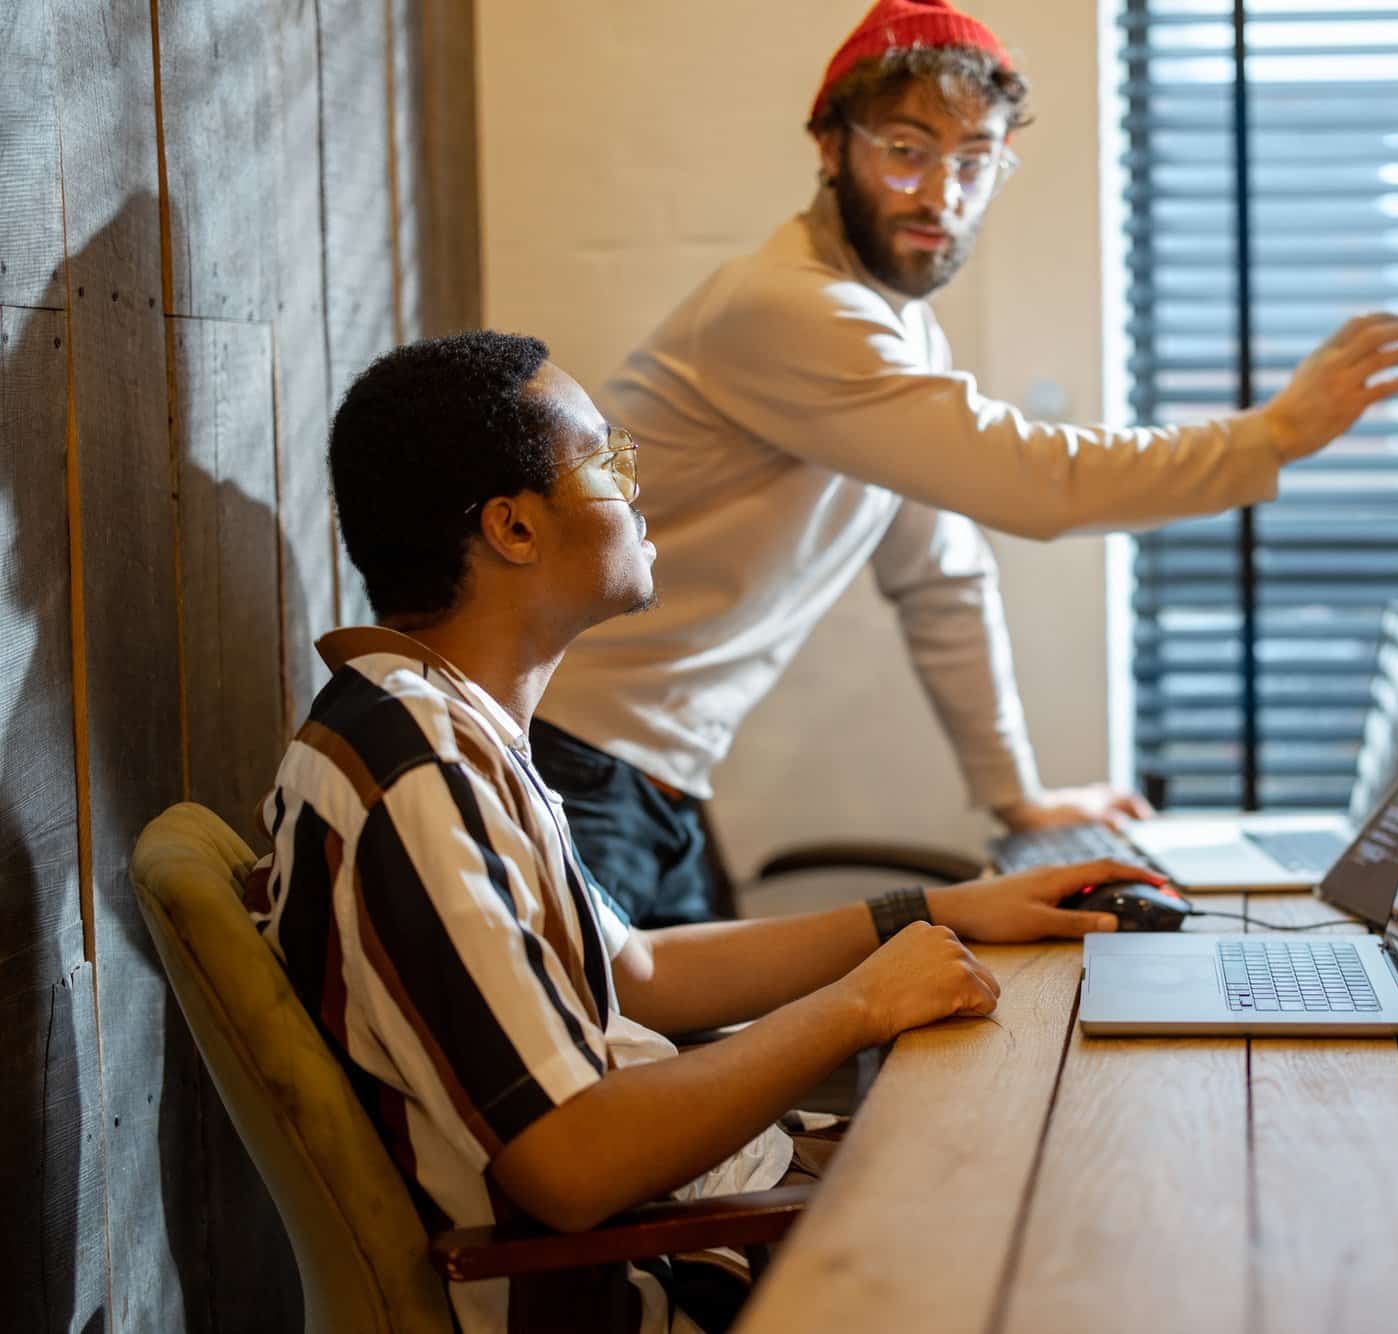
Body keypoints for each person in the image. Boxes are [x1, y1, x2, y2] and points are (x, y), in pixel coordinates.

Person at [251, 331, 1157, 1333]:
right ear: (511, 527)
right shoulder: (421, 772)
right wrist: (858, 1004)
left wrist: (940, 908)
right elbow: (571, 1162)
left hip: (704, 1219)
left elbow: (635, 969)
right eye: (607, 461)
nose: (637, 489)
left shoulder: (442, 726)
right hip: (646, 1288)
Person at [534, 0, 1398, 928]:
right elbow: (1035, 479)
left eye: (974, 162)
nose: (942, 195)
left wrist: (1018, 801)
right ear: (831, 146)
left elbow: (940, 577)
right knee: (633, 1069)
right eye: (907, 150)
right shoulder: (786, 307)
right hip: (576, 756)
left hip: (647, 770)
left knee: (694, 1052)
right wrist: (1273, 435)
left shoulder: (890, 325)